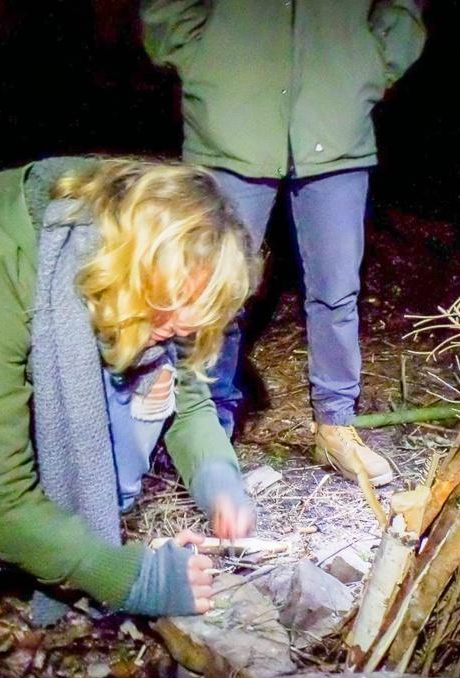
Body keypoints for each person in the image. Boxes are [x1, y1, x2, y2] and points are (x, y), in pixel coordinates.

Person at [0, 157, 261, 617]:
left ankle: (84, 516)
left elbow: (188, 402)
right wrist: (126, 577)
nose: (175, 326)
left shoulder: (153, 275)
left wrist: (219, 479)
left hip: (33, 384)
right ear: (135, 258)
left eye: (189, 318)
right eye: (165, 310)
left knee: (150, 373)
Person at [140, 0, 426, 486]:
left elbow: (402, 8)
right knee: (212, 289)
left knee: (337, 289)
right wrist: (201, 59)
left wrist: (370, 65)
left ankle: (336, 425)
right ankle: (207, 429)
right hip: (230, 122)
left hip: (334, 123)